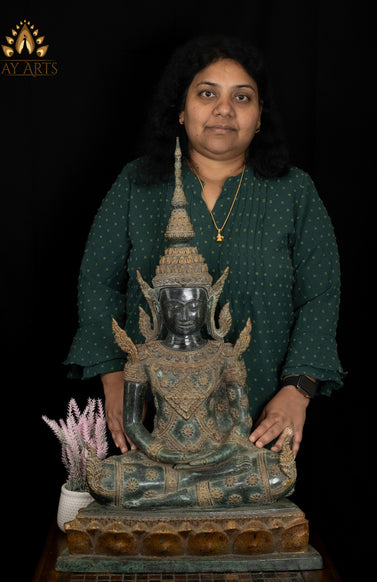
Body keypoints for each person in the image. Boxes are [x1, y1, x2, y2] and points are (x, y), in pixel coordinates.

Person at [65, 35, 344, 458]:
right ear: (180, 109)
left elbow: (320, 296)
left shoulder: (294, 192)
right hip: (153, 419)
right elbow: (97, 281)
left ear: (259, 116)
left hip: (261, 428)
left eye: (242, 97)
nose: (224, 110)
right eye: (207, 93)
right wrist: (114, 376)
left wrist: (298, 389)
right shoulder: (137, 184)